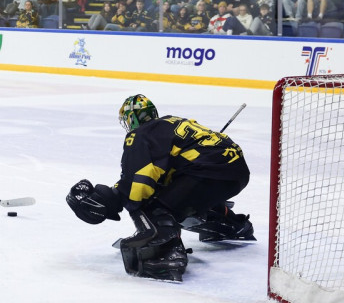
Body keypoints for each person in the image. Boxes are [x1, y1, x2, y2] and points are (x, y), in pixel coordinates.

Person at [66, 94, 254, 282]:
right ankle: (232, 226)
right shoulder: (169, 123)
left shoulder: (140, 134)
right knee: (183, 197)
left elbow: (137, 184)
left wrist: (114, 201)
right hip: (236, 172)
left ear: (132, 118)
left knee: (154, 205)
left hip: (206, 172)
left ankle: (166, 254)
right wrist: (114, 195)